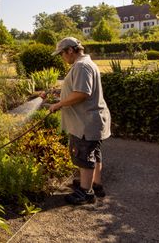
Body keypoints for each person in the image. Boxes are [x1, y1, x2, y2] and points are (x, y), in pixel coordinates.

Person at [48, 37, 111, 205]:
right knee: (94, 154)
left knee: (84, 156)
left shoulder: (82, 66)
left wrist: (59, 104)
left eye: (62, 53)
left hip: (85, 122)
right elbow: (76, 89)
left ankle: (86, 192)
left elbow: (82, 93)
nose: (62, 57)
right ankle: (95, 184)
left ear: (70, 50)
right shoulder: (84, 64)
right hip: (92, 120)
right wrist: (57, 94)